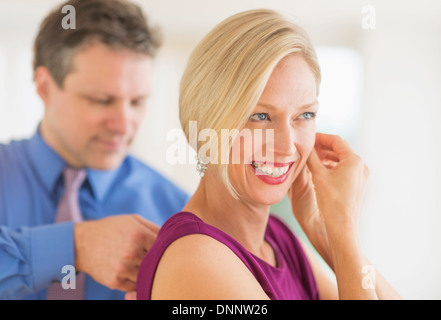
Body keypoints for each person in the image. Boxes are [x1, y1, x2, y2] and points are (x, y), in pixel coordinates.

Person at [136, 9, 401, 300]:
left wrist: (326, 235)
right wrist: (343, 228)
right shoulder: (195, 257)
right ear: (207, 124)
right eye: (260, 116)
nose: (287, 146)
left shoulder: (279, 238)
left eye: (305, 115)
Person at [0, 0, 189, 300]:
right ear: (44, 87)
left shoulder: (176, 210)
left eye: (137, 101)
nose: (124, 125)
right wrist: (74, 247)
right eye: (102, 100)